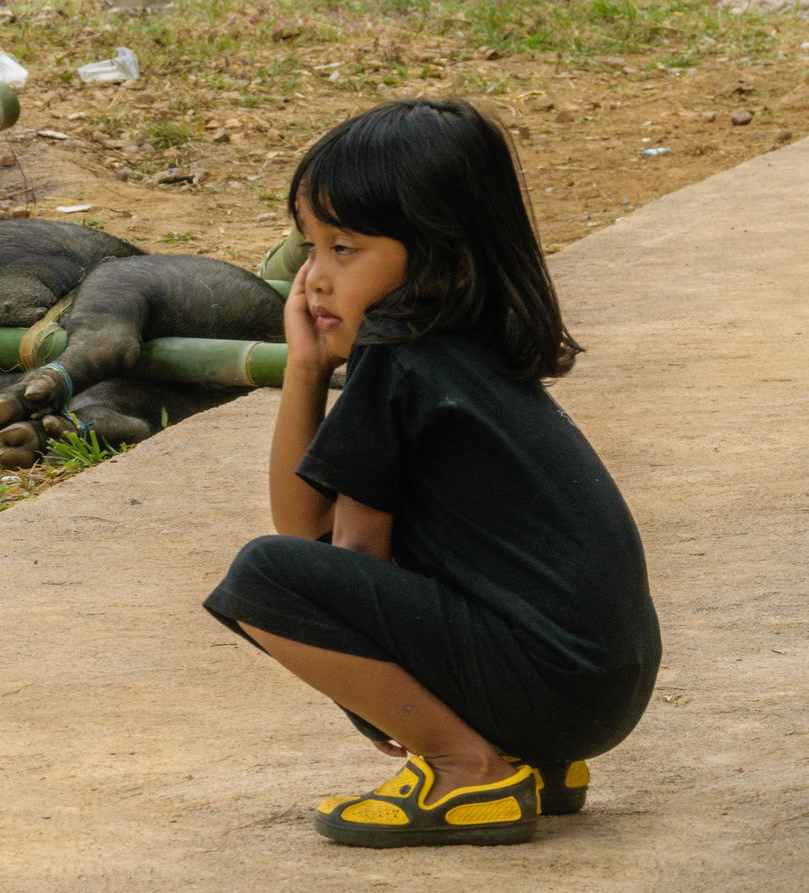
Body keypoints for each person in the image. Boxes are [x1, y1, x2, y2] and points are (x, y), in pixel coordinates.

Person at [203, 98, 661, 847]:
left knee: (263, 578)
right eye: (310, 247)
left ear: (442, 261)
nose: (314, 277)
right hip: (599, 691)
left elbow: (330, 549)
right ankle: (526, 761)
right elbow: (315, 527)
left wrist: (390, 707)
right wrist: (308, 369)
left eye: (344, 249)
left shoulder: (401, 351)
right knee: (304, 568)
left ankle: (464, 767)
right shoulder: (468, 344)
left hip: (551, 684)